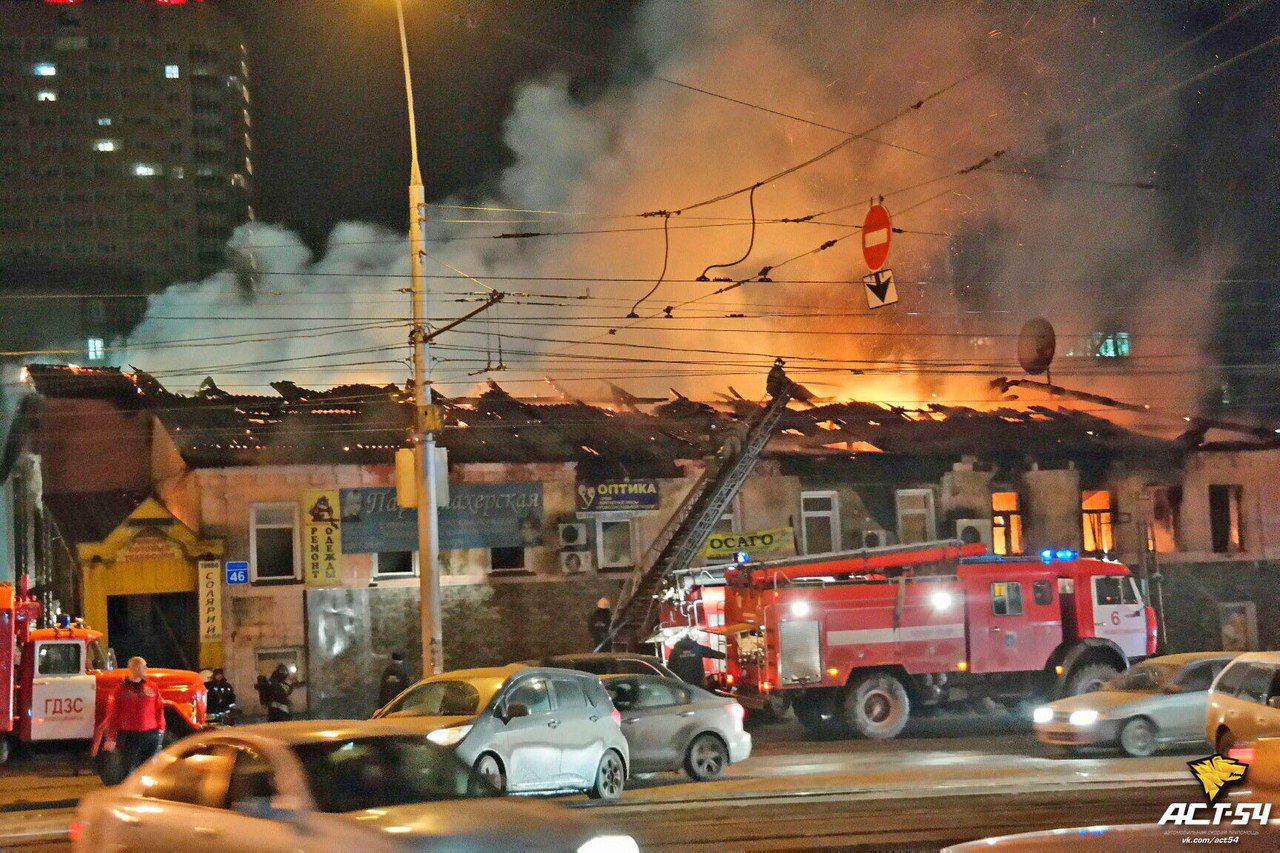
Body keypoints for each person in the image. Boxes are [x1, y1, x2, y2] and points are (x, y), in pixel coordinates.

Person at [102, 656, 166, 776]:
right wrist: (111, 737)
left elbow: (159, 709)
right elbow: (113, 714)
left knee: (149, 769)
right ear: (135, 668)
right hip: (129, 736)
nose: (147, 669)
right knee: (128, 768)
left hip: (150, 735)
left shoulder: (152, 687)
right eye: (144, 666)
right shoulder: (120, 689)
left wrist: (161, 730)